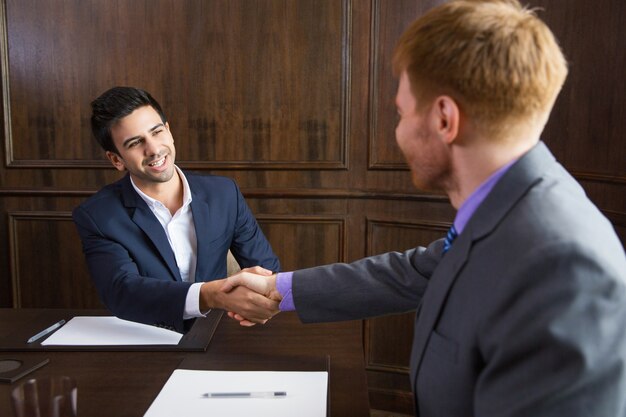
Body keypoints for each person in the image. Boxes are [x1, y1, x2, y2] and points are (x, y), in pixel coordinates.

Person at [222, 1, 626, 416]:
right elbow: (414, 272)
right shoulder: (508, 211)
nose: (397, 131)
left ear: (445, 119)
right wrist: (279, 290)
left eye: (401, 113)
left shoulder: (563, 268)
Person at [73, 86, 280, 333]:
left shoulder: (224, 194)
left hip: (220, 334)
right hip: (148, 338)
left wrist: (263, 295)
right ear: (116, 159)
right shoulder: (98, 216)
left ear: (169, 131)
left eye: (157, 132)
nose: (153, 149)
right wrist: (210, 295)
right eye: (135, 142)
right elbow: (122, 291)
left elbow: (268, 270)